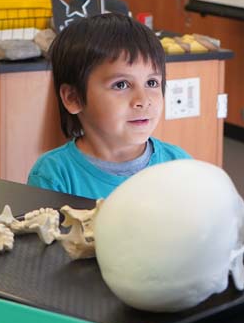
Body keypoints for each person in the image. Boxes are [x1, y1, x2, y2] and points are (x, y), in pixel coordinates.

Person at [28, 13, 189, 199]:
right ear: (73, 98)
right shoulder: (53, 175)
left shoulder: (179, 164)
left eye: (152, 83)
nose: (143, 100)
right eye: (121, 85)